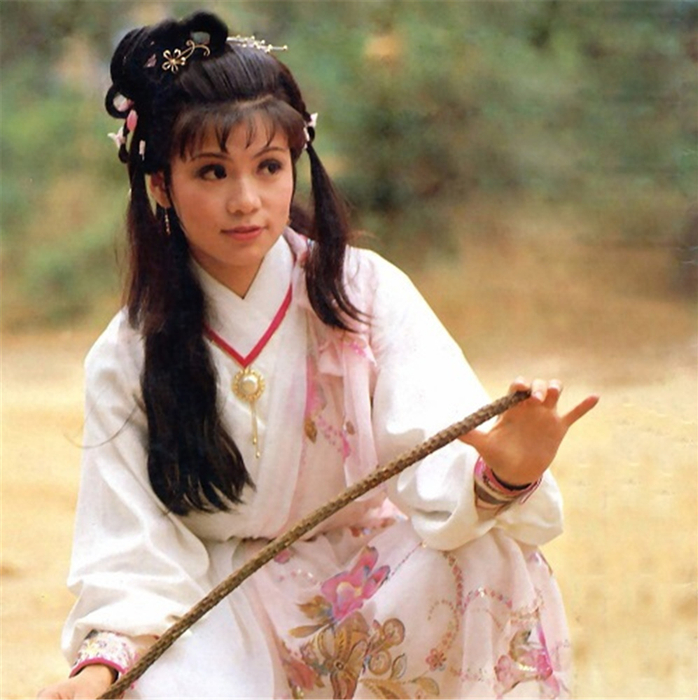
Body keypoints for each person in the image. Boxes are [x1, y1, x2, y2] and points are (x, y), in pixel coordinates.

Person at [37, 10, 598, 700]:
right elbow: (131, 545)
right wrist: (104, 665)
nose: (246, 200)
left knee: (484, 555)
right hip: (223, 608)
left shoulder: (363, 293)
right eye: (212, 171)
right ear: (161, 185)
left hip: (370, 587)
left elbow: (441, 457)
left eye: (269, 167)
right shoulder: (128, 355)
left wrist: (505, 475)